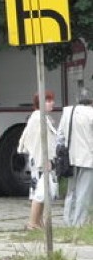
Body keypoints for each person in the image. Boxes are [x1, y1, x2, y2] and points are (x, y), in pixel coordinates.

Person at [17, 90, 57, 230]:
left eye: (51, 100)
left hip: (42, 159)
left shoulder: (41, 117)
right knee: (40, 192)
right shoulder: (37, 118)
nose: (51, 103)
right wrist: (44, 160)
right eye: (48, 100)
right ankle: (33, 223)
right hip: (41, 160)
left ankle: (37, 222)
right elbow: (38, 143)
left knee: (41, 191)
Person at [58, 88, 93, 226]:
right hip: (88, 158)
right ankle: (79, 223)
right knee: (84, 192)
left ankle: (68, 220)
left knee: (71, 191)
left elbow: (60, 135)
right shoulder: (91, 114)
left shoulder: (67, 112)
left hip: (70, 158)